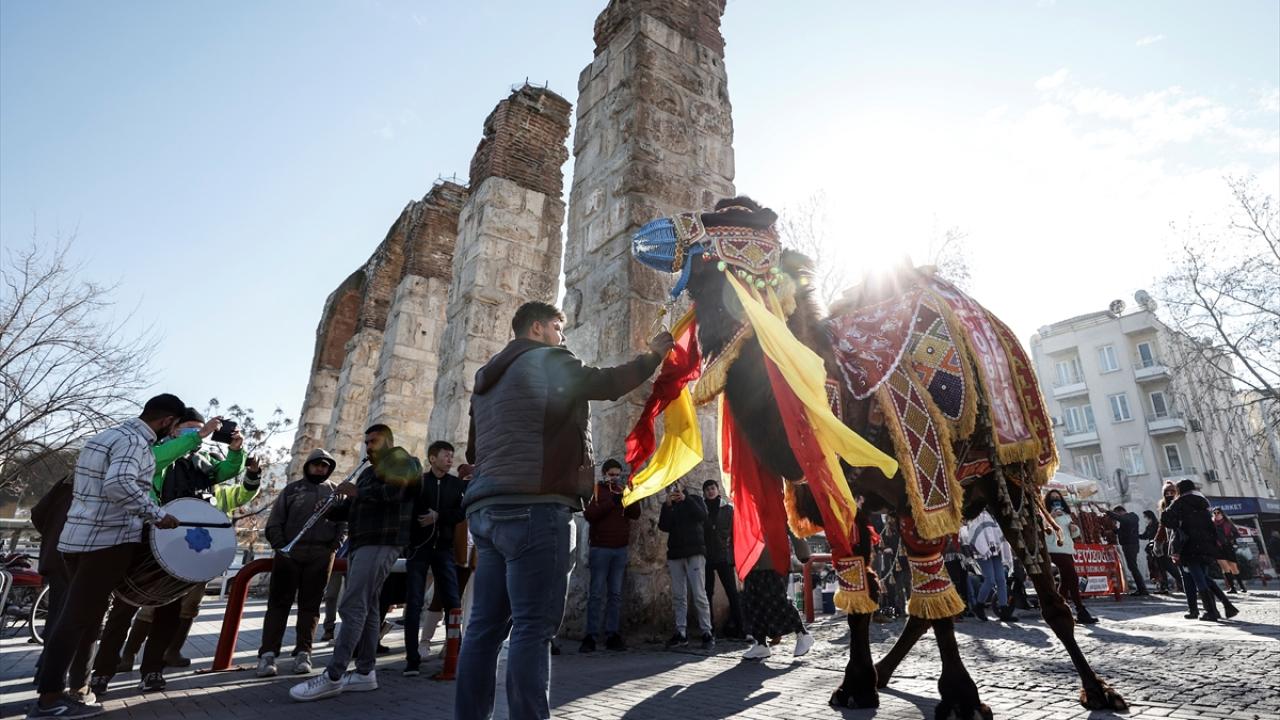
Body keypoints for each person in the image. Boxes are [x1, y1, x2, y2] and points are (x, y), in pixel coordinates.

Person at [454, 301, 670, 720]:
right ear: (537, 328)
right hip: (536, 508)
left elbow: (474, 451)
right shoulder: (548, 359)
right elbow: (605, 383)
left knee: (483, 629)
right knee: (533, 629)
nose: (563, 336)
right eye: (558, 327)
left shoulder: (485, 382)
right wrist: (654, 356)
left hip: (486, 509)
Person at [28, 394, 185, 720]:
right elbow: (119, 484)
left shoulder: (104, 437)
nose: (176, 435)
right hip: (105, 545)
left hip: (76, 541)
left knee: (86, 620)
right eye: (177, 428)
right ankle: (48, 698)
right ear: (167, 421)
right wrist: (156, 514)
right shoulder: (137, 444)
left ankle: (77, 689)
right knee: (75, 621)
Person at [98, 408, 260, 693]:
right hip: (149, 535)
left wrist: (237, 452)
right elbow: (157, 462)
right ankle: (103, 670)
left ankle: (153, 670)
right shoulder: (154, 452)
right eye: (189, 428)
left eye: (200, 428)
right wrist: (198, 436)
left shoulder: (205, 462)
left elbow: (228, 473)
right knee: (124, 608)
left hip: (182, 544)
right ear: (173, 430)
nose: (198, 433)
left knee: (169, 611)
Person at [288, 424, 420, 701]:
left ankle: (333, 675)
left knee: (352, 604)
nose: (369, 446)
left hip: (382, 541)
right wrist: (331, 509)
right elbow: (356, 508)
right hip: (362, 541)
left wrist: (356, 493)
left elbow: (394, 494)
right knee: (370, 608)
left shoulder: (403, 461)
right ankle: (364, 672)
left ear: (388, 441)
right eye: (367, 441)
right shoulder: (370, 473)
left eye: (374, 441)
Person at [257, 449, 344, 677]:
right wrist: (281, 547)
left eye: (325, 466)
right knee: (278, 604)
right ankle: (267, 654)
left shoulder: (335, 492)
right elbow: (275, 522)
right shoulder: (292, 490)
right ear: (308, 466)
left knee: (311, 606)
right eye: (316, 465)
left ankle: (304, 652)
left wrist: (332, 548)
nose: (320, 469)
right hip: (289, 555)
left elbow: (343, 524)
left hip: (320, 557)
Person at [401, 440, 465, 676]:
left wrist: (438, 517)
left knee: (452, 601)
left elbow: (462, 512)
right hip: (419, 549)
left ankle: (455, 654)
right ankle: (412, 659)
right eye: (445, 455)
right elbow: (407, 511)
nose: (450, 459)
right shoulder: (418, 483)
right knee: (415, 602)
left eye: (451, 455)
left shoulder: (457, 485)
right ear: (432, 458)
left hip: (444, 549)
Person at [580, 459, 642, 653]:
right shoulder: (596, 491)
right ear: (604, 474)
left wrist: (632, 495)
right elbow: (590, 515)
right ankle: (590, 635)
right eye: (612, 474)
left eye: (617, 474)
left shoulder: (622, 489)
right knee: (596, 593)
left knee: (615, 594)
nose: (614, 478)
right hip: (600, 548)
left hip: (619, 549)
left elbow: (635, 514)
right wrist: (611, 502)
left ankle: (612, 634)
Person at [1161, 480, 1238, 622]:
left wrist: (1171, 509)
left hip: (1189, 545)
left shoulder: (1180, 502)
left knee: (1198, 578)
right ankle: (1226, 606)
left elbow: (1166, 519)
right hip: (1206, 545)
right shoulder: (1202, 501)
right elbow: (1211, 525)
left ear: (1179, 490)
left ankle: (1212, 611)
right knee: (1204, 577)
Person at [658, 482, 715, 649]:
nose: (674, 491)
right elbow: (664, 526)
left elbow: (702, 516)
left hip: (694, 553)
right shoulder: (669, 506)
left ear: (682, 486)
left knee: (699, 594)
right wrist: (668, 506)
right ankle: (681, 633)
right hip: (676, 554)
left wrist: (686, 499)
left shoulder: (695, 499)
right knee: (678, 596)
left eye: (676, 487)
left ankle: (707, 632)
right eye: (670, 489)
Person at [740, 535, 814, 660]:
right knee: (753, 603)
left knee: (777, 601)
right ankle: (760, 643)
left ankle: (802, 633)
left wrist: (803, 552)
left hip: (773, 559)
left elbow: (791, 525)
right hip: (751, 559)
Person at [1042, 489, 1098, 624]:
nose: (1056, 499)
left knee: (1066, 581)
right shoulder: (1045, 514)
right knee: (1072, 577)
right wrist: (1051, 518)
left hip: (1067, 548)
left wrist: (1074, 529)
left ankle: (1061, 610)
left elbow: (1072, 534)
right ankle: (1080, 610)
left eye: (1058, 497)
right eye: (1053, 497)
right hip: (1055, 548)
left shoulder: (1067, 514)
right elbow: (1044, 532)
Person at [701, 478, 745, 640]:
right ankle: (709, 628)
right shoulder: (702, 508)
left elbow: (735, 533)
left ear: (718, 490)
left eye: (712, 488)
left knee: (732, 592)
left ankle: (741, 627)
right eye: (707, 489)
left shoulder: (728, 509)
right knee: (707, 592)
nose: (710, 491)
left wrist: (735, 555)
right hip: (706, 556)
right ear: (704, 493)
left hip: (724, 556)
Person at [965, 510, 1018, 622]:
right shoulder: (978, 513)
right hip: (982, 552)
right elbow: (974, 531)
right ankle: (979, 606)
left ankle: (1004, 610)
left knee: (1001, 580)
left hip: (996, 551)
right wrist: (984, 548)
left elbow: (999, 532)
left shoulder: (994, 513)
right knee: (990, 580)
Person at [1104, 505, 1150, 596]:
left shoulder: (1132, 516)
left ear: (1120, 512)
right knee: (1132, 567)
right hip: (1128, 545)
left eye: (1117, 515)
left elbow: (1123, 519)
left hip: (1131, 545)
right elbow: (1123, 531)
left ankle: (1142, 589)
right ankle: (1141, 588)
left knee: (1133, 567)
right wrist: (1113, 531)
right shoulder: (1126, 520)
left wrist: (1108, 512)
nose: (1117, 519)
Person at [1211, 509, 1247, 594]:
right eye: (1214, 513)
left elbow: (1237, 534)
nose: (1216, 514)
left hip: (1228, 547)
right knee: (1225, 568)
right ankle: (1232, 588)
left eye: (1218, 513)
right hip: (1217, 548)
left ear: (1222, 514)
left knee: (1233, 568)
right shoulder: (1211, 524)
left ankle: (1242, 587)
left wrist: (1228, 540)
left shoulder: (1228, 523)